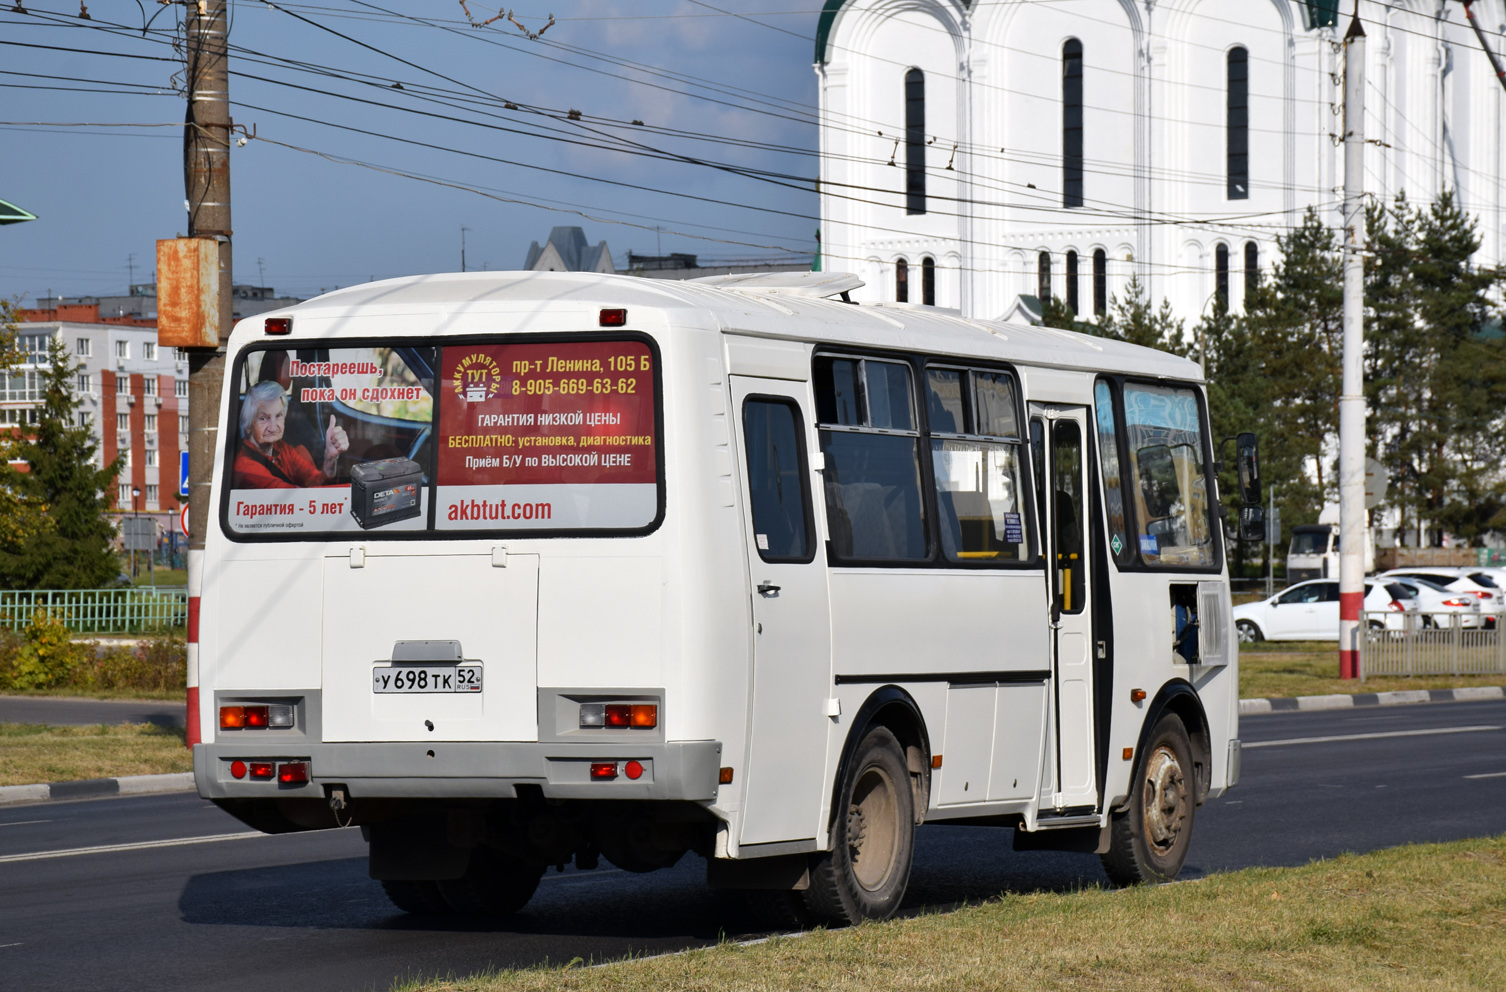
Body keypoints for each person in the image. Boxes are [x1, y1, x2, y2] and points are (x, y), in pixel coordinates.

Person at [232, 381, 349, 489]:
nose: (273, 428)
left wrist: (330, 458)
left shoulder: (283, 449)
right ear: (248, 426)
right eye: (263, 418)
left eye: (278, 416)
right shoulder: (246, 468)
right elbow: (296, 499)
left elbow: (315, 481)